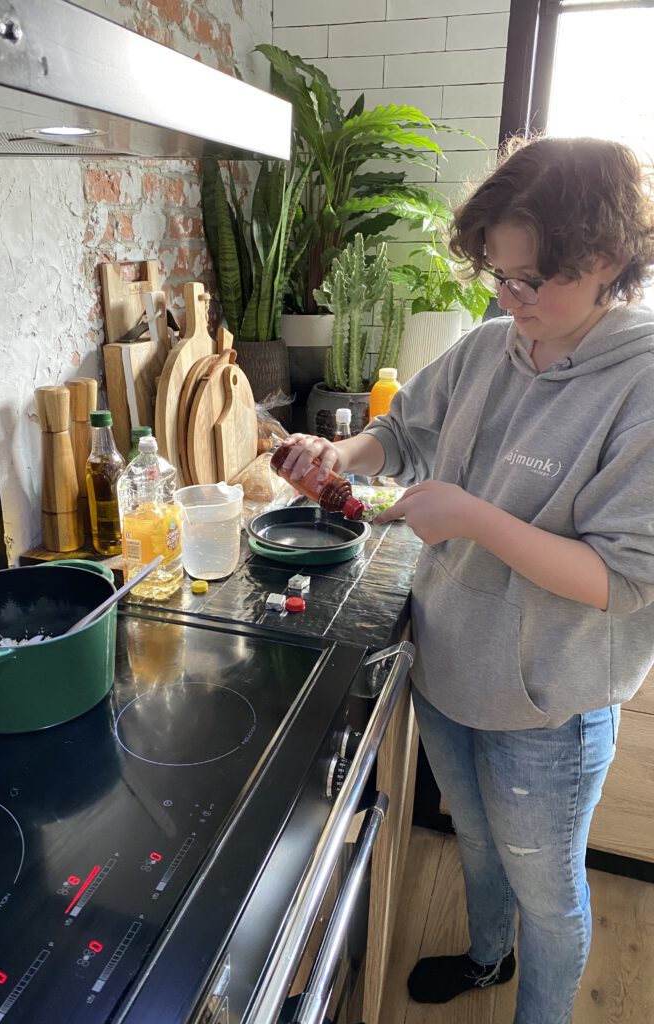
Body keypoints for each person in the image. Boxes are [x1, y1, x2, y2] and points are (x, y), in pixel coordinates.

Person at [276, 135, 654, 1024]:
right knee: (477, 844)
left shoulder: (641, 387)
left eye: (530, 281)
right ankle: (488, 959)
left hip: (547, 699)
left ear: (603, 261)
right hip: (447, 662)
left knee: (548, 889)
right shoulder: (491, 346)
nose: (509, 298)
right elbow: (402, 433)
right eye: (498, 276)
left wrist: (472, 517)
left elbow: (622, 582)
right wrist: (341, 453)